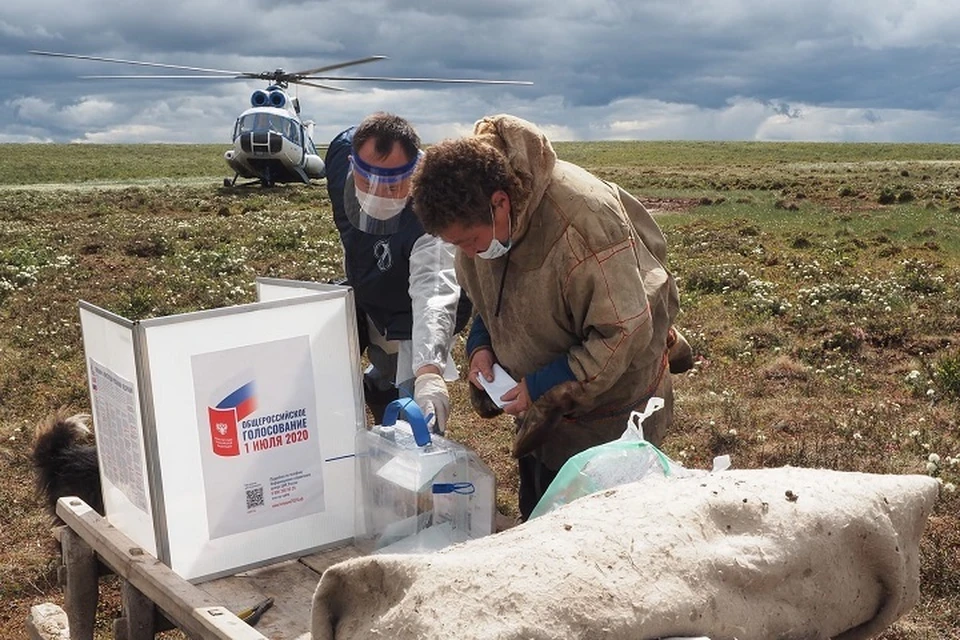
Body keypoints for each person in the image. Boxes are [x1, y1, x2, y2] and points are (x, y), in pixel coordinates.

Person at [411, 114, 690, 519]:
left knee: (604, 530)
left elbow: (622, 331)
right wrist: (480, 347)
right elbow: (486, 297)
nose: (467, 253)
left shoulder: (585, 223)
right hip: (543, 414)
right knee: (542, 514)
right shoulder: (479, 222)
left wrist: (543, 385)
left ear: (500, 203)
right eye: (457, 245)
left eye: (469, 241)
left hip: (610, 414)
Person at [324, 112, 470, 433]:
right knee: (331, 340)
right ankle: (374, 387)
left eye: (394, 183)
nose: (381, 193)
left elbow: (432, 292)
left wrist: (429, 371)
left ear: (415, 169)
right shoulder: (338, 162)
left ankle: (408, 438)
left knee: (413, 404)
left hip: (412, 309)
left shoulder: (431, 213)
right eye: (368, 181)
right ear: (352, 164)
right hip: (367, 285)